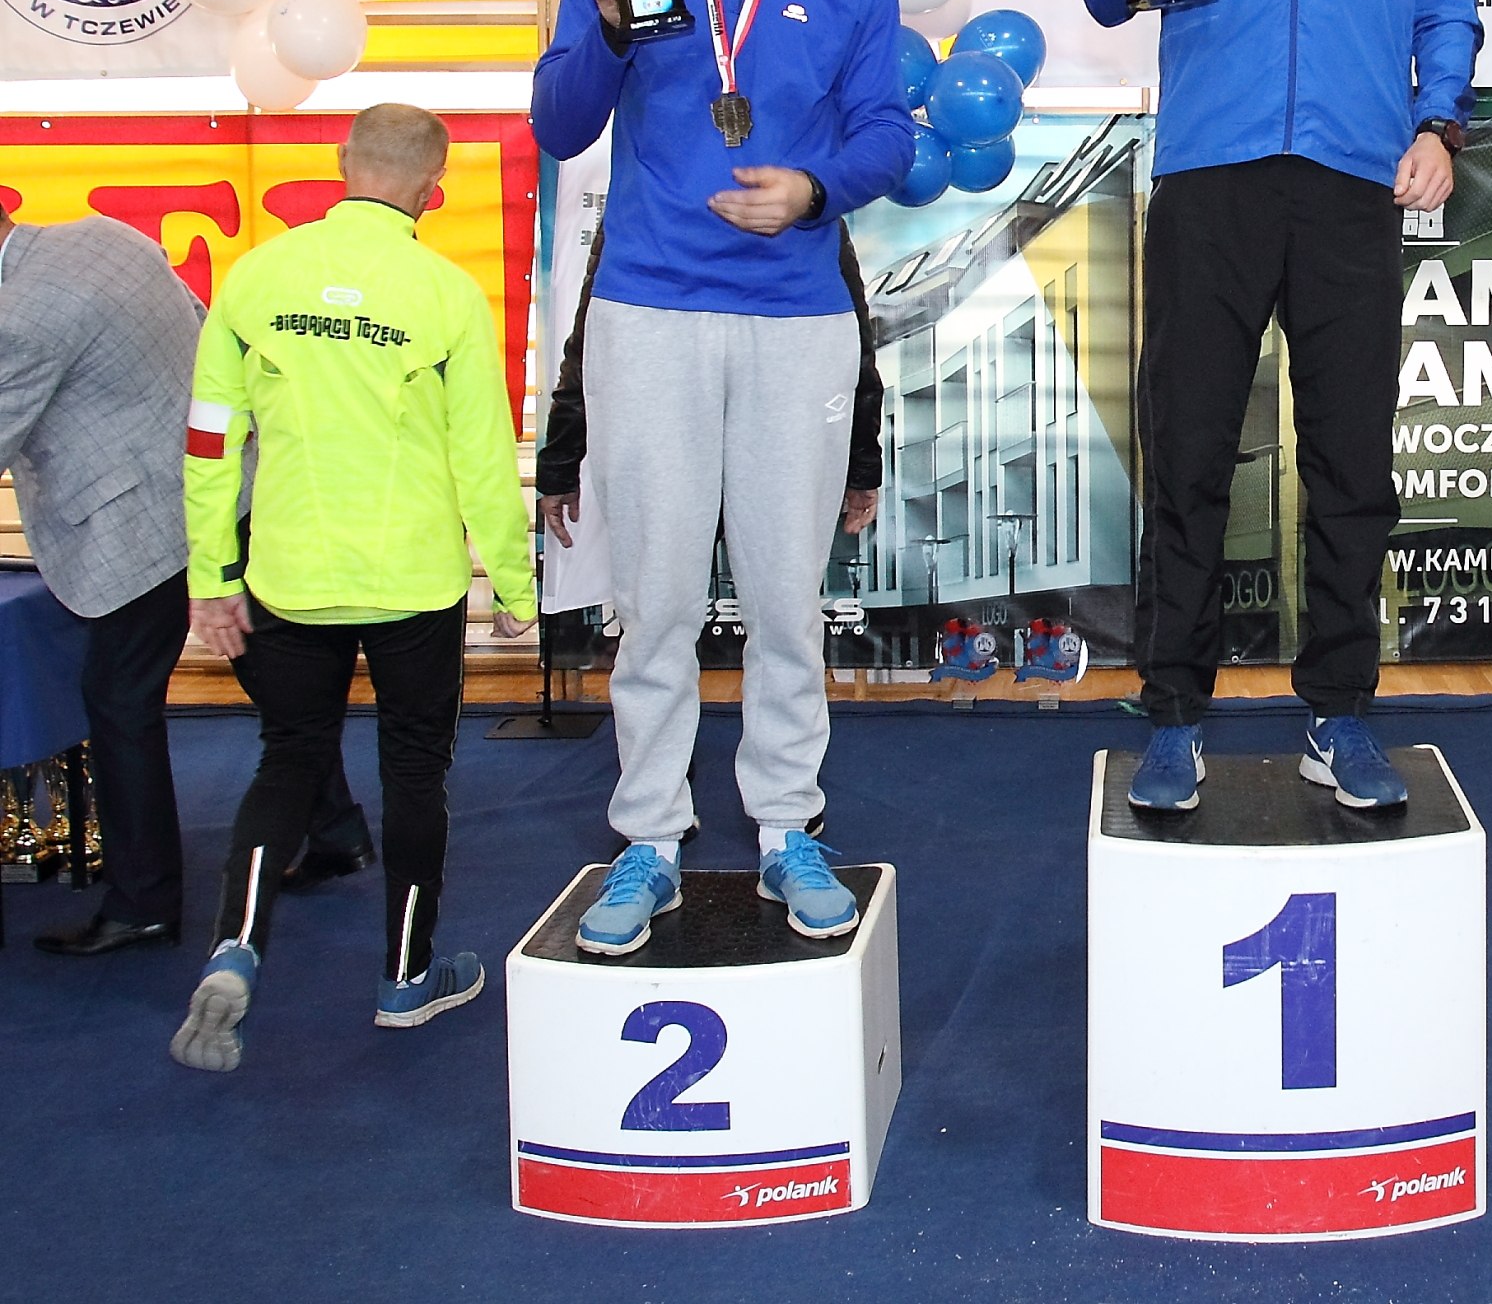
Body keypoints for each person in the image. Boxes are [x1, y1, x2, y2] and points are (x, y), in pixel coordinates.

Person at [1080, 0, 1481, 812]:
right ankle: (1174, 715)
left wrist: (1440, 121)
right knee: (1191, 451)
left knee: (1354, 461)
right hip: (1212, 170)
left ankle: (1339, 713)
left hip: (1356, 175)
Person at [532, 0, 912, 953]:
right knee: (655, 602)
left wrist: (813, 189)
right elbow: (559, 124)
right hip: (650, 309)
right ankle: (648, 835)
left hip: (797, 319)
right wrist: (602, 21)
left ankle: (788, 824)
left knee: (788, 600)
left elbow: (887, 135)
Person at [170, 105, 535, 1072]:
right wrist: (515, 585)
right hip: (412, 578)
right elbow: (482, 458)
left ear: (341, 163)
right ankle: (407, 978)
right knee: (415, 771)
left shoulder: (255, 277)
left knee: (288, 759)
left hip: (288, 571)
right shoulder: (446, 294)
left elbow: (209, 444)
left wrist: (212, 576)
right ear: (434, 191)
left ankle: (235, 950)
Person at [0, 201, 371, 957]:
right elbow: (206, 328)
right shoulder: (105, 236)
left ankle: (143, 900)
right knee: (268, 666)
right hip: (223, 483)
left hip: (143, 525)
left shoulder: (22, 315)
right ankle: (336, 830)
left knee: (118, 698)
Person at [537, 220, 884, 554]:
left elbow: (852, 353)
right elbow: (592, 348)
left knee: (687, 575)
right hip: (714, 435)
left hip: (720, 434)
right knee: (680, 579)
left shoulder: (810, 202)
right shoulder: (645, 204)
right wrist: (559, 467)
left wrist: (863, 467)